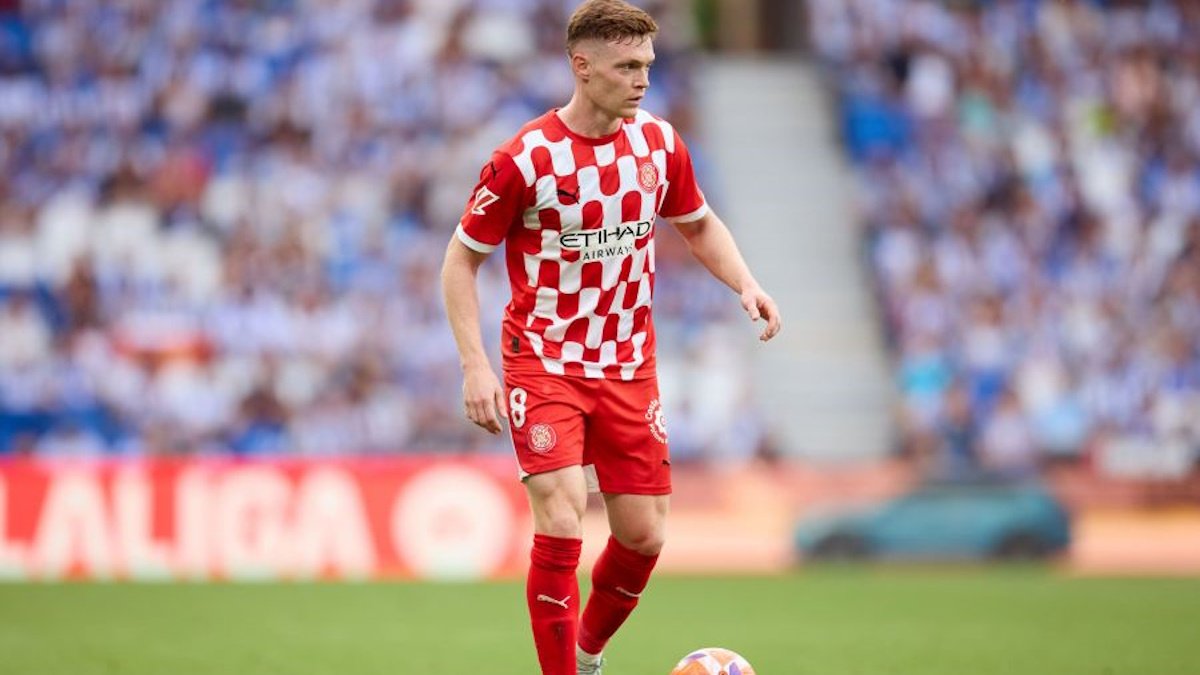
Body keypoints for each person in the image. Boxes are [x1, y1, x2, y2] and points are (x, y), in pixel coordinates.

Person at [439, 2, 781, 674]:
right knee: (563, 516)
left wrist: (745, 282)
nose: (642, 80)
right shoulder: (524, 160)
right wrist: (474, 366)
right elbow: (460, 259)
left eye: (647, 65)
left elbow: (698, 223)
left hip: (628, 364)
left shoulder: (658, 144)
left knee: (644, 535)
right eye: (626, 66)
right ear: (582, 66)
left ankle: (587, 654)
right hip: (545, 361)